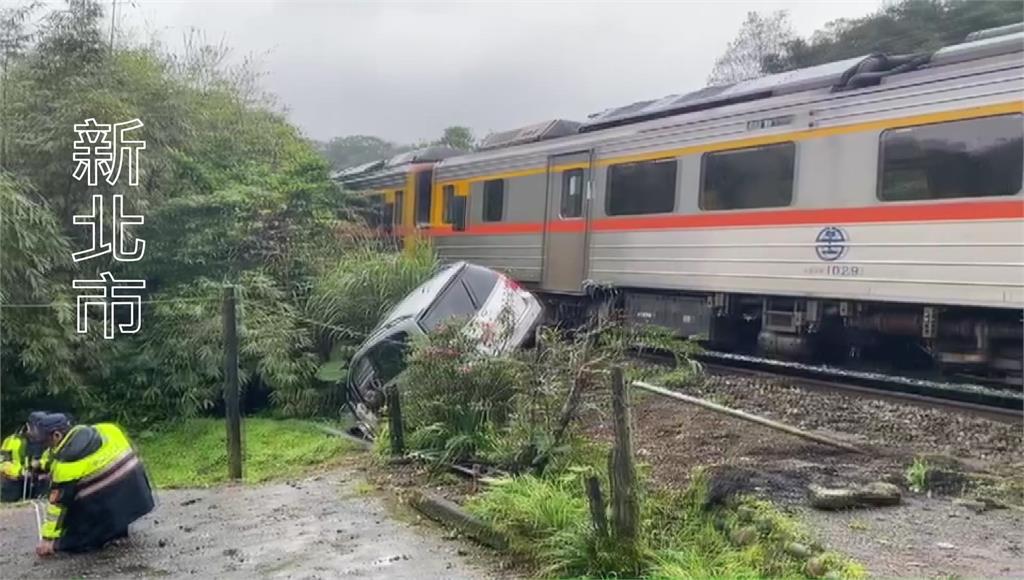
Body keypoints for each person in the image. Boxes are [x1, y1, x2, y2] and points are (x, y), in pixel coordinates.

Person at [33, 413, 155, 557]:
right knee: (107, 486)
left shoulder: (66, 465)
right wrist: (42, 464)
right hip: (140, 498)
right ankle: (119, 531)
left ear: (57, 435)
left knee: (73, 519)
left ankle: (63, 544)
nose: (44, 446)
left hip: (109, 505)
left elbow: (57, 507)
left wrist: (48, 539)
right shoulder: (107, 429)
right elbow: (54, 454)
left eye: (45, 442)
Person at [0, 411, 48, 502]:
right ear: (29, 426)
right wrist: (20, 472)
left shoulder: (48, 441)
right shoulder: (12, 441)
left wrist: (40, 466)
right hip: (14, 484)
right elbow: (2, 463)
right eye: (39, 427)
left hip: (40, 484)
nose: (42, 430)